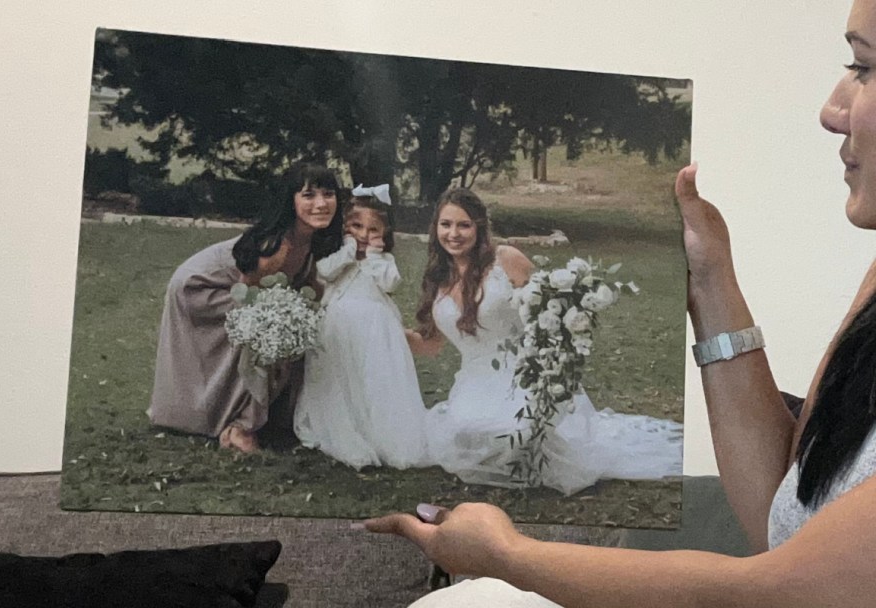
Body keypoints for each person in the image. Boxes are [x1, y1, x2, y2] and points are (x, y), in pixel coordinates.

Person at [363, 2, 876, 605]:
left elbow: (782, 592)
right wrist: (711, 284)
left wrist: (504, 555)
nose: (832, 110)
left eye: (863, 66)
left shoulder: (507, 262)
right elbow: (783, 509)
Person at [405, 187, 683, 495]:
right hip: (473, 382)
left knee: (516, 433)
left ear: (479, 227)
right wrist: (383, 328)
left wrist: (553, 368)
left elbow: (551, 313)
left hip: (525, 373)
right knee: (466, 434)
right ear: (436, 229)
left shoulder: (505, 260)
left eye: (463, 225)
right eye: (446, 225)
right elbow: (431, 346)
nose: (453, 234)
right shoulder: (437, 277)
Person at [147, 163, 343, 453]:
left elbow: (311, 286)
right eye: (309, 195)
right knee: (267, 341)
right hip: (202, 288)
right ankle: (241, 427)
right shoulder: (277, 248)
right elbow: (250, 301)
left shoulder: (309, 239)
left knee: (287, 328)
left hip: (246, 292)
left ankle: (273, 416)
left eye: (328, 194)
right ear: (291, 201)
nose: (321, 204)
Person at [294, 184, 431, 469]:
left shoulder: (383, 260)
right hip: (338, 324)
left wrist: (373, 257)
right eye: (356, 226)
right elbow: (324, 272)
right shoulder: (337, 255)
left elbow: (390, 283)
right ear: (345, 226)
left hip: (374, 327)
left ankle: (378, 431)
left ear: (384, 234)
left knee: (373, 379)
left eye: (372, 230)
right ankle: (342, 425)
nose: (363, 235)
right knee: (340, 375)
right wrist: (348, 252)